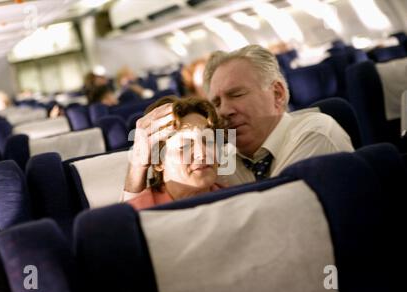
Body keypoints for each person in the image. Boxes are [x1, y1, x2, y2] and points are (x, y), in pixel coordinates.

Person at [122, 44, 354, 200]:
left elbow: (275, 218)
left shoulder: (316, 134)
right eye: (216, 102)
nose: (224, 111)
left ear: (278, 94)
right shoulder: (220, 156)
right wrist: (139, 166)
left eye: (236, 94)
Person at [127, 96, 224, 210]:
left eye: (209, 141)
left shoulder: (236, 200)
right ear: (158, 161)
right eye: (185, 146)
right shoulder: (141, 213)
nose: (201, 154)